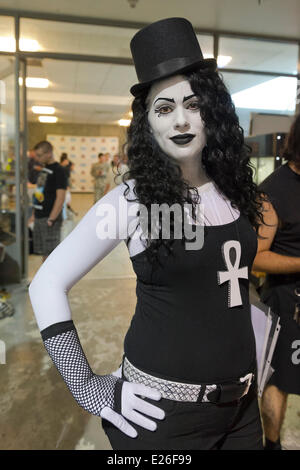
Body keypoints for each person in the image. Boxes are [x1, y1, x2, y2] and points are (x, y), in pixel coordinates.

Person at [28, 18, 266, 450]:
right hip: (162, 417)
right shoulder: (133, 201)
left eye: (193, 105)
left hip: (242, 412)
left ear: (212, 111)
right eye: (164, 108)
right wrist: (87, 387)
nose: (180, 120)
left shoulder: (233, 188)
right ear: (148, 124)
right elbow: (46, 283)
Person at [253, 114, 300, 450]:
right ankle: (272, 446)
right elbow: (255, 255)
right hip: (285, 299)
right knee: (278, 378)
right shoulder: (272, 190)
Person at [32, 141, 68, 262]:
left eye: (40, 155)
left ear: (49, 153)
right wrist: (33, 214)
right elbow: (39, 192)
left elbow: (60, 197)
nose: (37, 158)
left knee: (51, 255)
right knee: (44, 253)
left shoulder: (59, 170)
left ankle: (51, 280)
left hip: (49, 219)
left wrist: (51, 219)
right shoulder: (44, 169)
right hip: (39, 216)